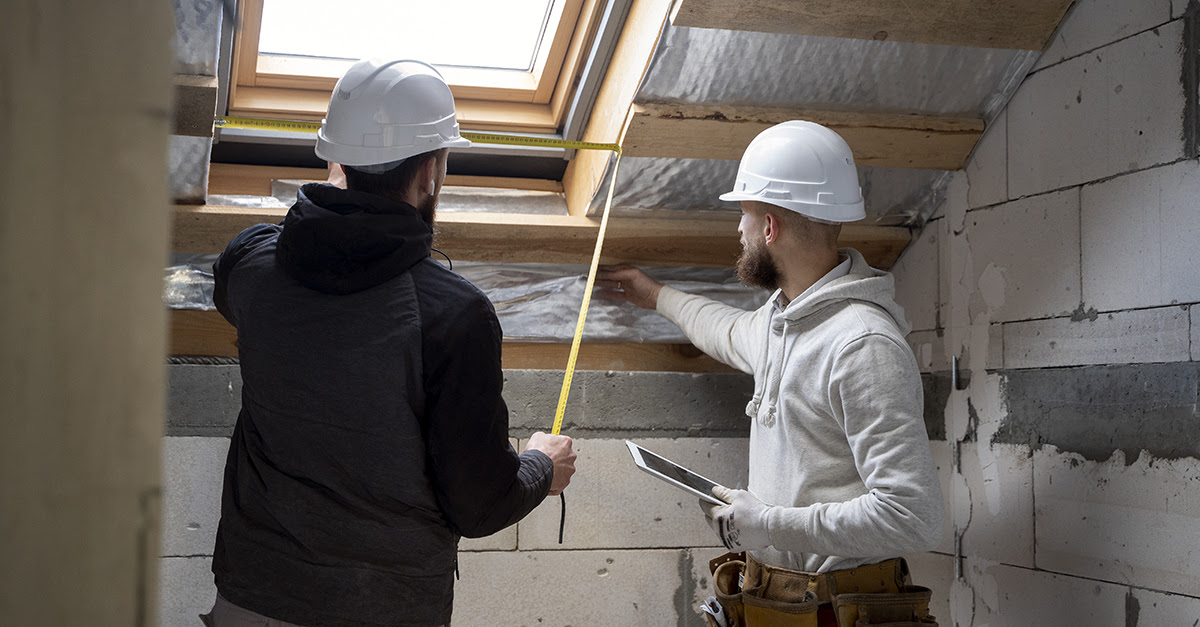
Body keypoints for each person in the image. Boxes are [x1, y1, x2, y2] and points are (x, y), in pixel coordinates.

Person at [205, 58, 577, 627]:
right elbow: (478, 504)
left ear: (336, 160)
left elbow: (262, 276)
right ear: (431, 171)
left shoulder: (250, 266)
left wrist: (329, 211)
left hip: (250, 598)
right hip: (381, 607)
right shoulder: (454, 314)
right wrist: (540, 467)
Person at [598, 121, 943, 627]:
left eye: (744, 215)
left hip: (839, 611)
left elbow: (914, 518)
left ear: (770, 227)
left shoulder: (862, 345)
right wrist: (653, 296)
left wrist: (770, 525)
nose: (738, 230)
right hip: (783, 603)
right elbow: (727, 330)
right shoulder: (783, 320)